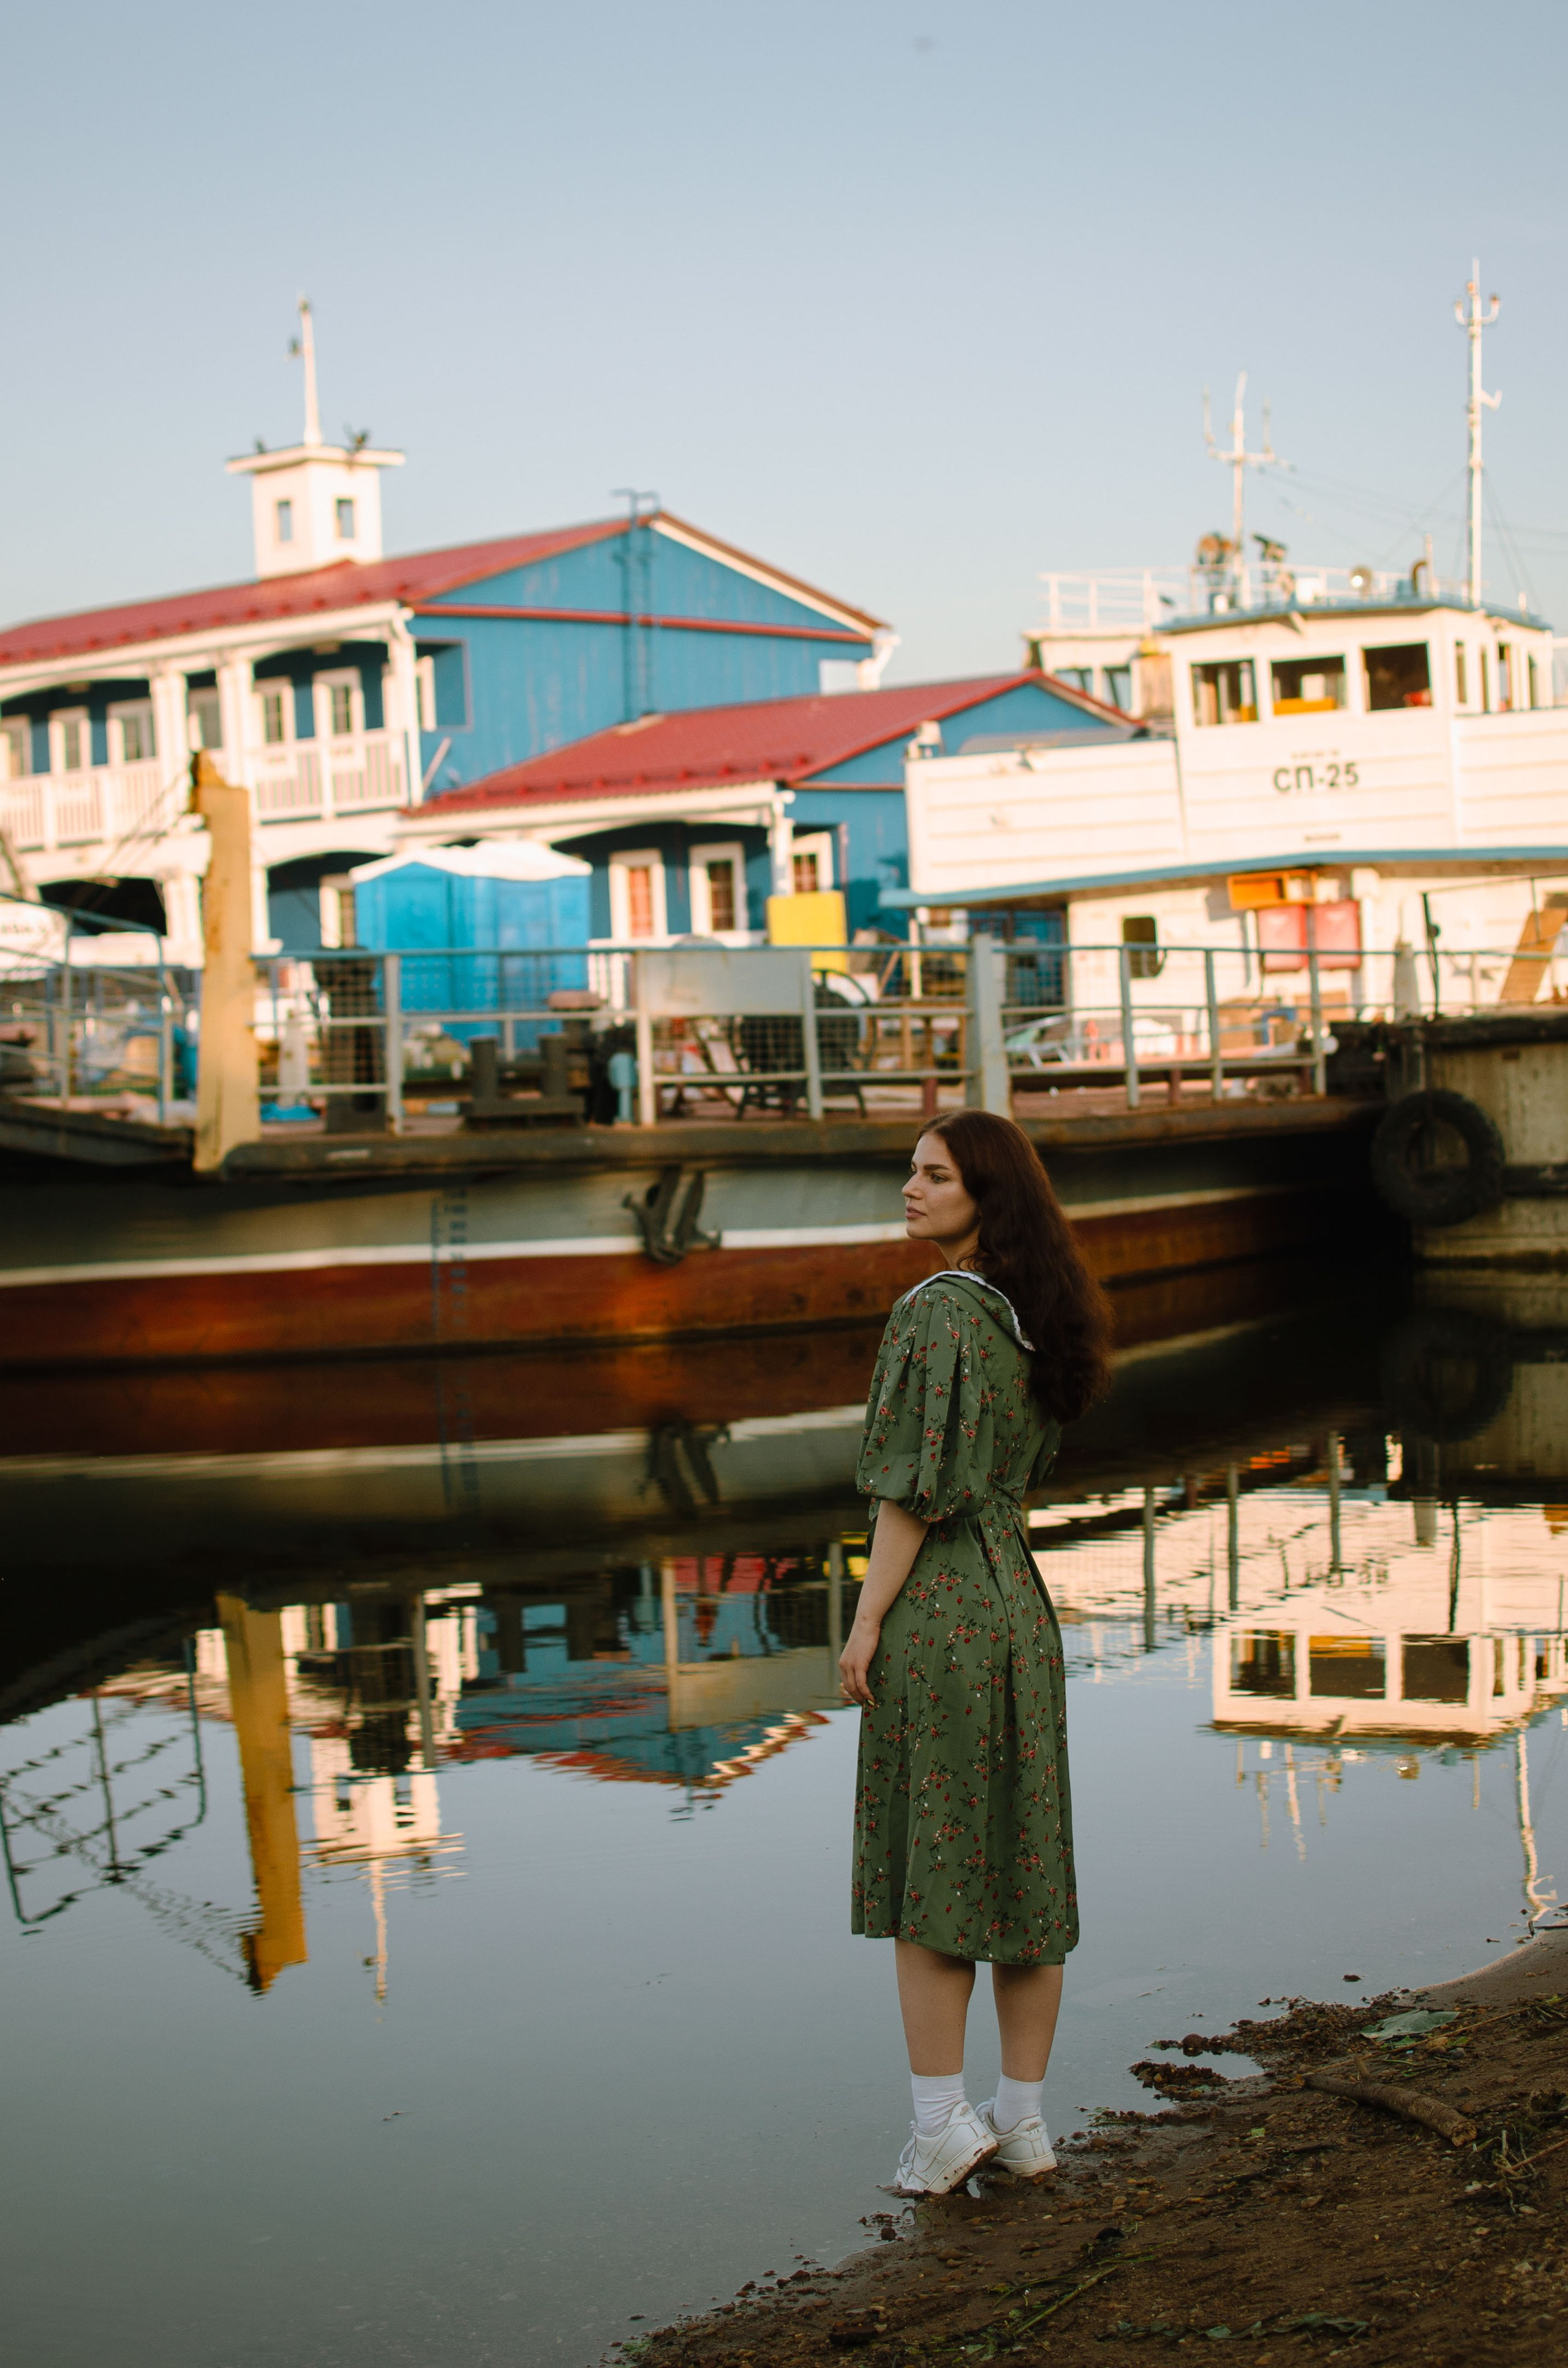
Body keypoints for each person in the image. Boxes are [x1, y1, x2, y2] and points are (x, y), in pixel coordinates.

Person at [838, 1109, 1112, 2196]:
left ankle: (942, 2122)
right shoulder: (1035, 1317)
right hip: (1020, 1611)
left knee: (936, 1869)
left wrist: (864, 1623)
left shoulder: (936, 1315)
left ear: (983, 1198)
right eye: (910, 1170)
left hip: (943, 1610)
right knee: (1022, 1859)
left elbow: (911, 1492)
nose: (910, 1188)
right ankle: (1027, 2119)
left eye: (934, 1175)